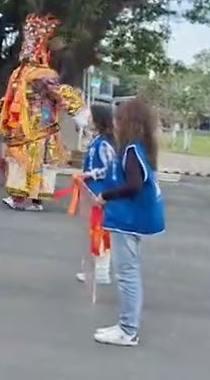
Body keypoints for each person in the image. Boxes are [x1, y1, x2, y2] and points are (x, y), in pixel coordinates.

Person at [0, 14, 91, 211]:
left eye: (30, 47)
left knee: (36, 162)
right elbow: (8, 100)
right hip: (21, 127)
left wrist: (78, 114)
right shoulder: (19, 73)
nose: (26, 52)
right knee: (20, 161)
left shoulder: (45, 75)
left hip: (41, 127)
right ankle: (23, 198)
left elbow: (60, 94)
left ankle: (31, 200)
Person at [93, 96, 165, 347]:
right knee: (127, 272)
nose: (115, 122)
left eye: (119, 117)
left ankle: (128, 329)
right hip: (128, 217)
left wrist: (105, 195)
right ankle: (126, 325)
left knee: (127, 274)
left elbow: (134, 185)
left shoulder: (132, 150)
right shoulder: (138, 147)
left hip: (128, 218)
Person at [76, 102, 117, 285]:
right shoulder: (97, 140)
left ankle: (101, 272)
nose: (87, 118)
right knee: (96, 231)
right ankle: (98, 270)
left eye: (90, 115)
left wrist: (90, 174)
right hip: (93, 190)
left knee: (101, 231)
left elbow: (110, 168)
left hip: (101, 192)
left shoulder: (105, 144)